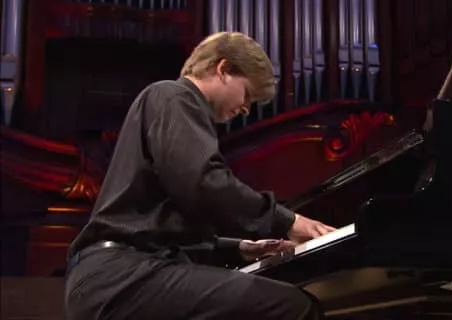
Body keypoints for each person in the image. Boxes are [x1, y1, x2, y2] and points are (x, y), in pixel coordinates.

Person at [64, 32, 336, 319]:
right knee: (292, 306)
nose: (246, 108)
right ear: (223, 69)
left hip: (120, 274)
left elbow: (166, 232)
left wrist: (240, 249)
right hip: (119, 276)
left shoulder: (176, 109)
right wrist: (287, 221)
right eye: (247, 94)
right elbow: (205, 184)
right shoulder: (172, 96)